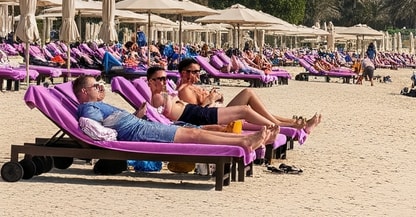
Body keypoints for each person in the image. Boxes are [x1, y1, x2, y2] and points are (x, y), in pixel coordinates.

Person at [72, 76, 276, 152]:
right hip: (137, 132)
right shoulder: (88, 108)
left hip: (139, 126)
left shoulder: (96, 105)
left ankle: (246, 139)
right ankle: (244, 142)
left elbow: (109, 122)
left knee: (194, 132)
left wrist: (136, 114)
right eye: (95, 86)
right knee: (193, 135)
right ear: (84, 92)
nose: (100, 88)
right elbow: (97, 130)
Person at [171, 59, 322, 131]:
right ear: (184, 73)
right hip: (214, 119)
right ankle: (288, 126)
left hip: (217, 112)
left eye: (199, 71)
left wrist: (216, 97)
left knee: (261, 111)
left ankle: (294, 123)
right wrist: (211, 99)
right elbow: (196, 115)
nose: (199, 74)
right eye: (195, 72)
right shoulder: (184, 90)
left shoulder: (192, 87)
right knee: (248, 93)